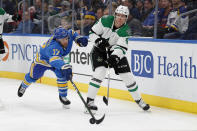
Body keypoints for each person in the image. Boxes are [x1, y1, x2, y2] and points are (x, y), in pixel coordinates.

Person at [86, 5, 150, 114]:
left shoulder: (126, 30)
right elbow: (92, 33)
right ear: (115, 15)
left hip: (114, 52)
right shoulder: (105, 20)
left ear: (126, 18)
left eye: (123, 16)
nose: (120, 18)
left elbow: (121, 47)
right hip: (99, 50)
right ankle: (89, 102)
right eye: (118, 15)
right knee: (100, 72)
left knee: (128, 76)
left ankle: (139, 100)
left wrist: (115, 56)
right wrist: (98, 41)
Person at [17, 27, 88, 108]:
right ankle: (24, 85)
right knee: (34, 76)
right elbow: (53, 61)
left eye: (66, 38)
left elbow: (72, 32)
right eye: (63, 39)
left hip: (56, 58)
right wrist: (64, 66)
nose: (66, 41)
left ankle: (63, 96)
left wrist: (79, 39)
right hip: (42, 61)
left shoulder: (67, 35)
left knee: (62, 74)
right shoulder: (53, 47)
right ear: (58, 40)